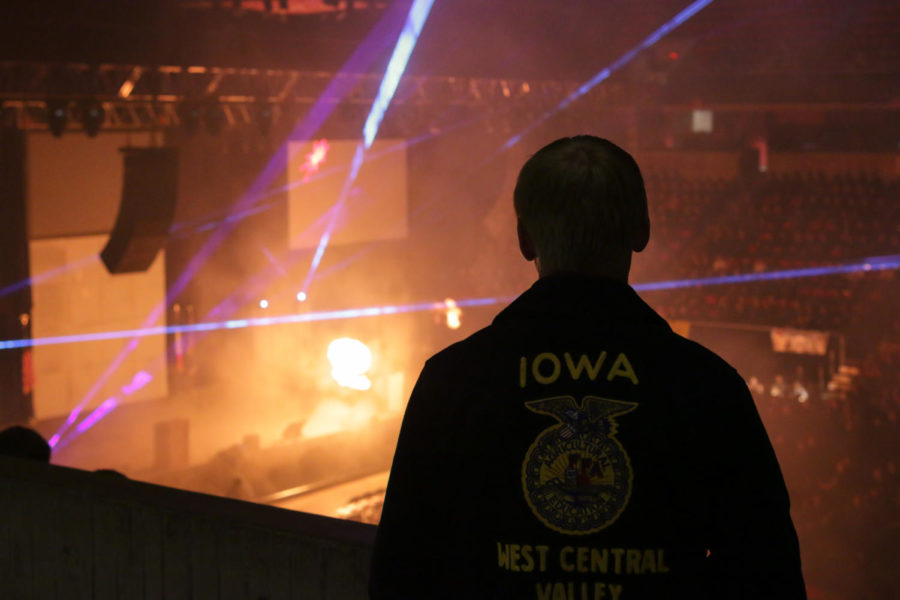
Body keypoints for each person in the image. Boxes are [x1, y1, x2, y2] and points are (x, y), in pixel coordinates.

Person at [369, 136, 805, 599]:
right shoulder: (708, 388)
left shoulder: (452, 380)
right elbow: (768, 575)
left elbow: (399, 573)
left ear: (524, 238)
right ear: (642, 231)